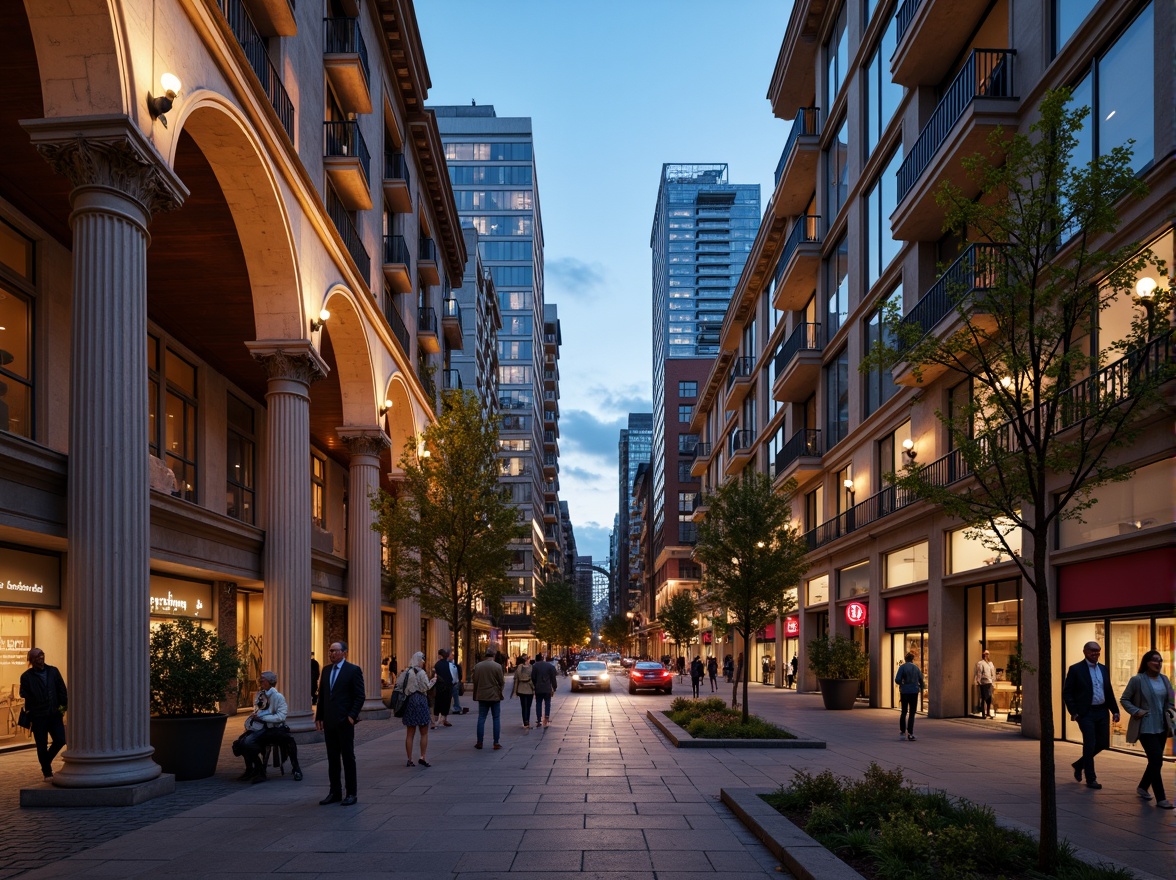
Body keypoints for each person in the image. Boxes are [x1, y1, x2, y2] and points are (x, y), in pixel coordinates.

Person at [1118, 650, 1173, 808]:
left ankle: (1143, 787)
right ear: (1146, 662)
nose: (1158, 663)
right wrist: (1137, 711)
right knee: (1156, 759)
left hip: (1162, 726)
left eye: (1160, 661)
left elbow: (1170, 700)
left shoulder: (1164, 679)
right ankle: (1161, 799)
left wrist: (1169, 711)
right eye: (1155, 660)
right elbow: (1124, 699)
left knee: (1156, 762)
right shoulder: (1138, 680)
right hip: (1145, 727)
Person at [1062, 641, 1120, 789]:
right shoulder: (1076, 669)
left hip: (1102, 711)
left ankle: (1079, 764)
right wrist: (1074, 712)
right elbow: (1067, 692)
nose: (1095, 653)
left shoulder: (1103, 669)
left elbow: (1108, 691)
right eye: (1092, 651)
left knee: (1103, 743)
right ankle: (1091, 778)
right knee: (1090, 744)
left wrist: (1115, 710)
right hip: (1085, 713)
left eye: (1098, 651)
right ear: (1085, 651)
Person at [315, 641, 365, 805]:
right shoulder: (326, 670)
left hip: (345, 722)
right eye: (330, 651)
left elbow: (360, 696)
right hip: (329, 721)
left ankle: (351, 793)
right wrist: (319, 717)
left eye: (335, 651)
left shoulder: (353, 670)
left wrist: (352, 716)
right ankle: (334, 792)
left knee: (348, 757)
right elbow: (322, 696)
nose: (332, 654)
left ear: (344, 652)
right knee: (332, 758)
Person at [238, 670, 302, 783]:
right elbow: (258, 709)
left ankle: (295, 769)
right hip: (259, 728)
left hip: (274, 728)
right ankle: (254, 769)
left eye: (263, 679)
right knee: (240, 743)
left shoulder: (278, 697)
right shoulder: (260, 695)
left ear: (270, 681)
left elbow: (281, 716)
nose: (260, 681)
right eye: (260, 679)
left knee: (249, 743)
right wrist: (255, 715)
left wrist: (263, 718)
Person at [19, 647, 67, 780]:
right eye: (37, 657)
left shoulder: (53, 671)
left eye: (41, 655)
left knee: (60, 739)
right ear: (31, 660)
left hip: (54, 713)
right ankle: (47, 772)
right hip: (38, 716)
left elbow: (61, 689)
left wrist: (63, 706)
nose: (40, 658)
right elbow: (23, 693)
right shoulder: (26, 676)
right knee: (41, 744)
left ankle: (45, 761)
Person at [397, 652, 435, 767]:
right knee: (424, 732)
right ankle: (422, 757)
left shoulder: (406, 672)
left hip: (410, 702)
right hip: (421, 701)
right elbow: (426, 687)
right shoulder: (422, 673)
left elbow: (399, 685)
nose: (423, 663)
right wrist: (433, 681)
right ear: (419, 661)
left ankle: (409, 759)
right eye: (422, 661)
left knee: (410, 733)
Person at [472, 647, 505, 749]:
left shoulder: (478, 666)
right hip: (494, 695)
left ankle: (479, 742)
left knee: (481, 718)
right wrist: (500, 690)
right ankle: (496, 742)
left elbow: (475, 680)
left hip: (482, 695)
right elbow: (501, 681)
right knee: (496, 718)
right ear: (493, 656)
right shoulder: (497, 666)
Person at [895, 652, 924, 741]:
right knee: (912, 712)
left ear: (905, 659)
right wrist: (920, 688)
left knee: (904, 711)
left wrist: (902, 684)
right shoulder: (916, 668)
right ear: (912, 659)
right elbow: (921, 680)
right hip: (914, 692)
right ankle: (910, 732)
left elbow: (897, 679)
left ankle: (902, 730)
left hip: (904, 692)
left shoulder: (902, 667)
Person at [531, 652, 559, 728]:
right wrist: (554, 687)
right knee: (547, 703)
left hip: (538, 688)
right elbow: (553, 677)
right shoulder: (550, 666)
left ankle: (539, 719)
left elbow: (533, 677)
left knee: (538, 703)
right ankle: (546, 717)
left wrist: (535, 684)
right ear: (543, 659)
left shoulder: (535, 666)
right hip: (547, 688)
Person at [510, 652, 535, 729]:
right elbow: (534, 678)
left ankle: (525, 722)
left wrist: (515, 690)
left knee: (524, 706)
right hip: (529, 689)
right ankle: (527, 720)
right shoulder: (531, 668)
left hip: (521, 689)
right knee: (528, 706)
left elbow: (516, 679)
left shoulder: (519, 668)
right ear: (527, 660)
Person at [432, 648, 454, 729]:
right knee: (446, 702)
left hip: (439, 686)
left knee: (437, 703)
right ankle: (443, 719)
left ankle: (435, 721)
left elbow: (435, 675)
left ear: (440, 656)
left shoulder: (437, 664)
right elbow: (453, 676)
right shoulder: (449, 665)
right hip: (448, 686)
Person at [974, 649, 997, 718]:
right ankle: (983, 713)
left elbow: (993, 673)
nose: (987, 655)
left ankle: (988, 712)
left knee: (989, 698)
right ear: (983, 654)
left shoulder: (990, 663)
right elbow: (979, 672)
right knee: (984, 697)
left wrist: (993, 681)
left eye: (988, 654)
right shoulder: (980, 663)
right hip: (984, 682)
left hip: (989, 682)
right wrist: (979, 681)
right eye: (985, 654)